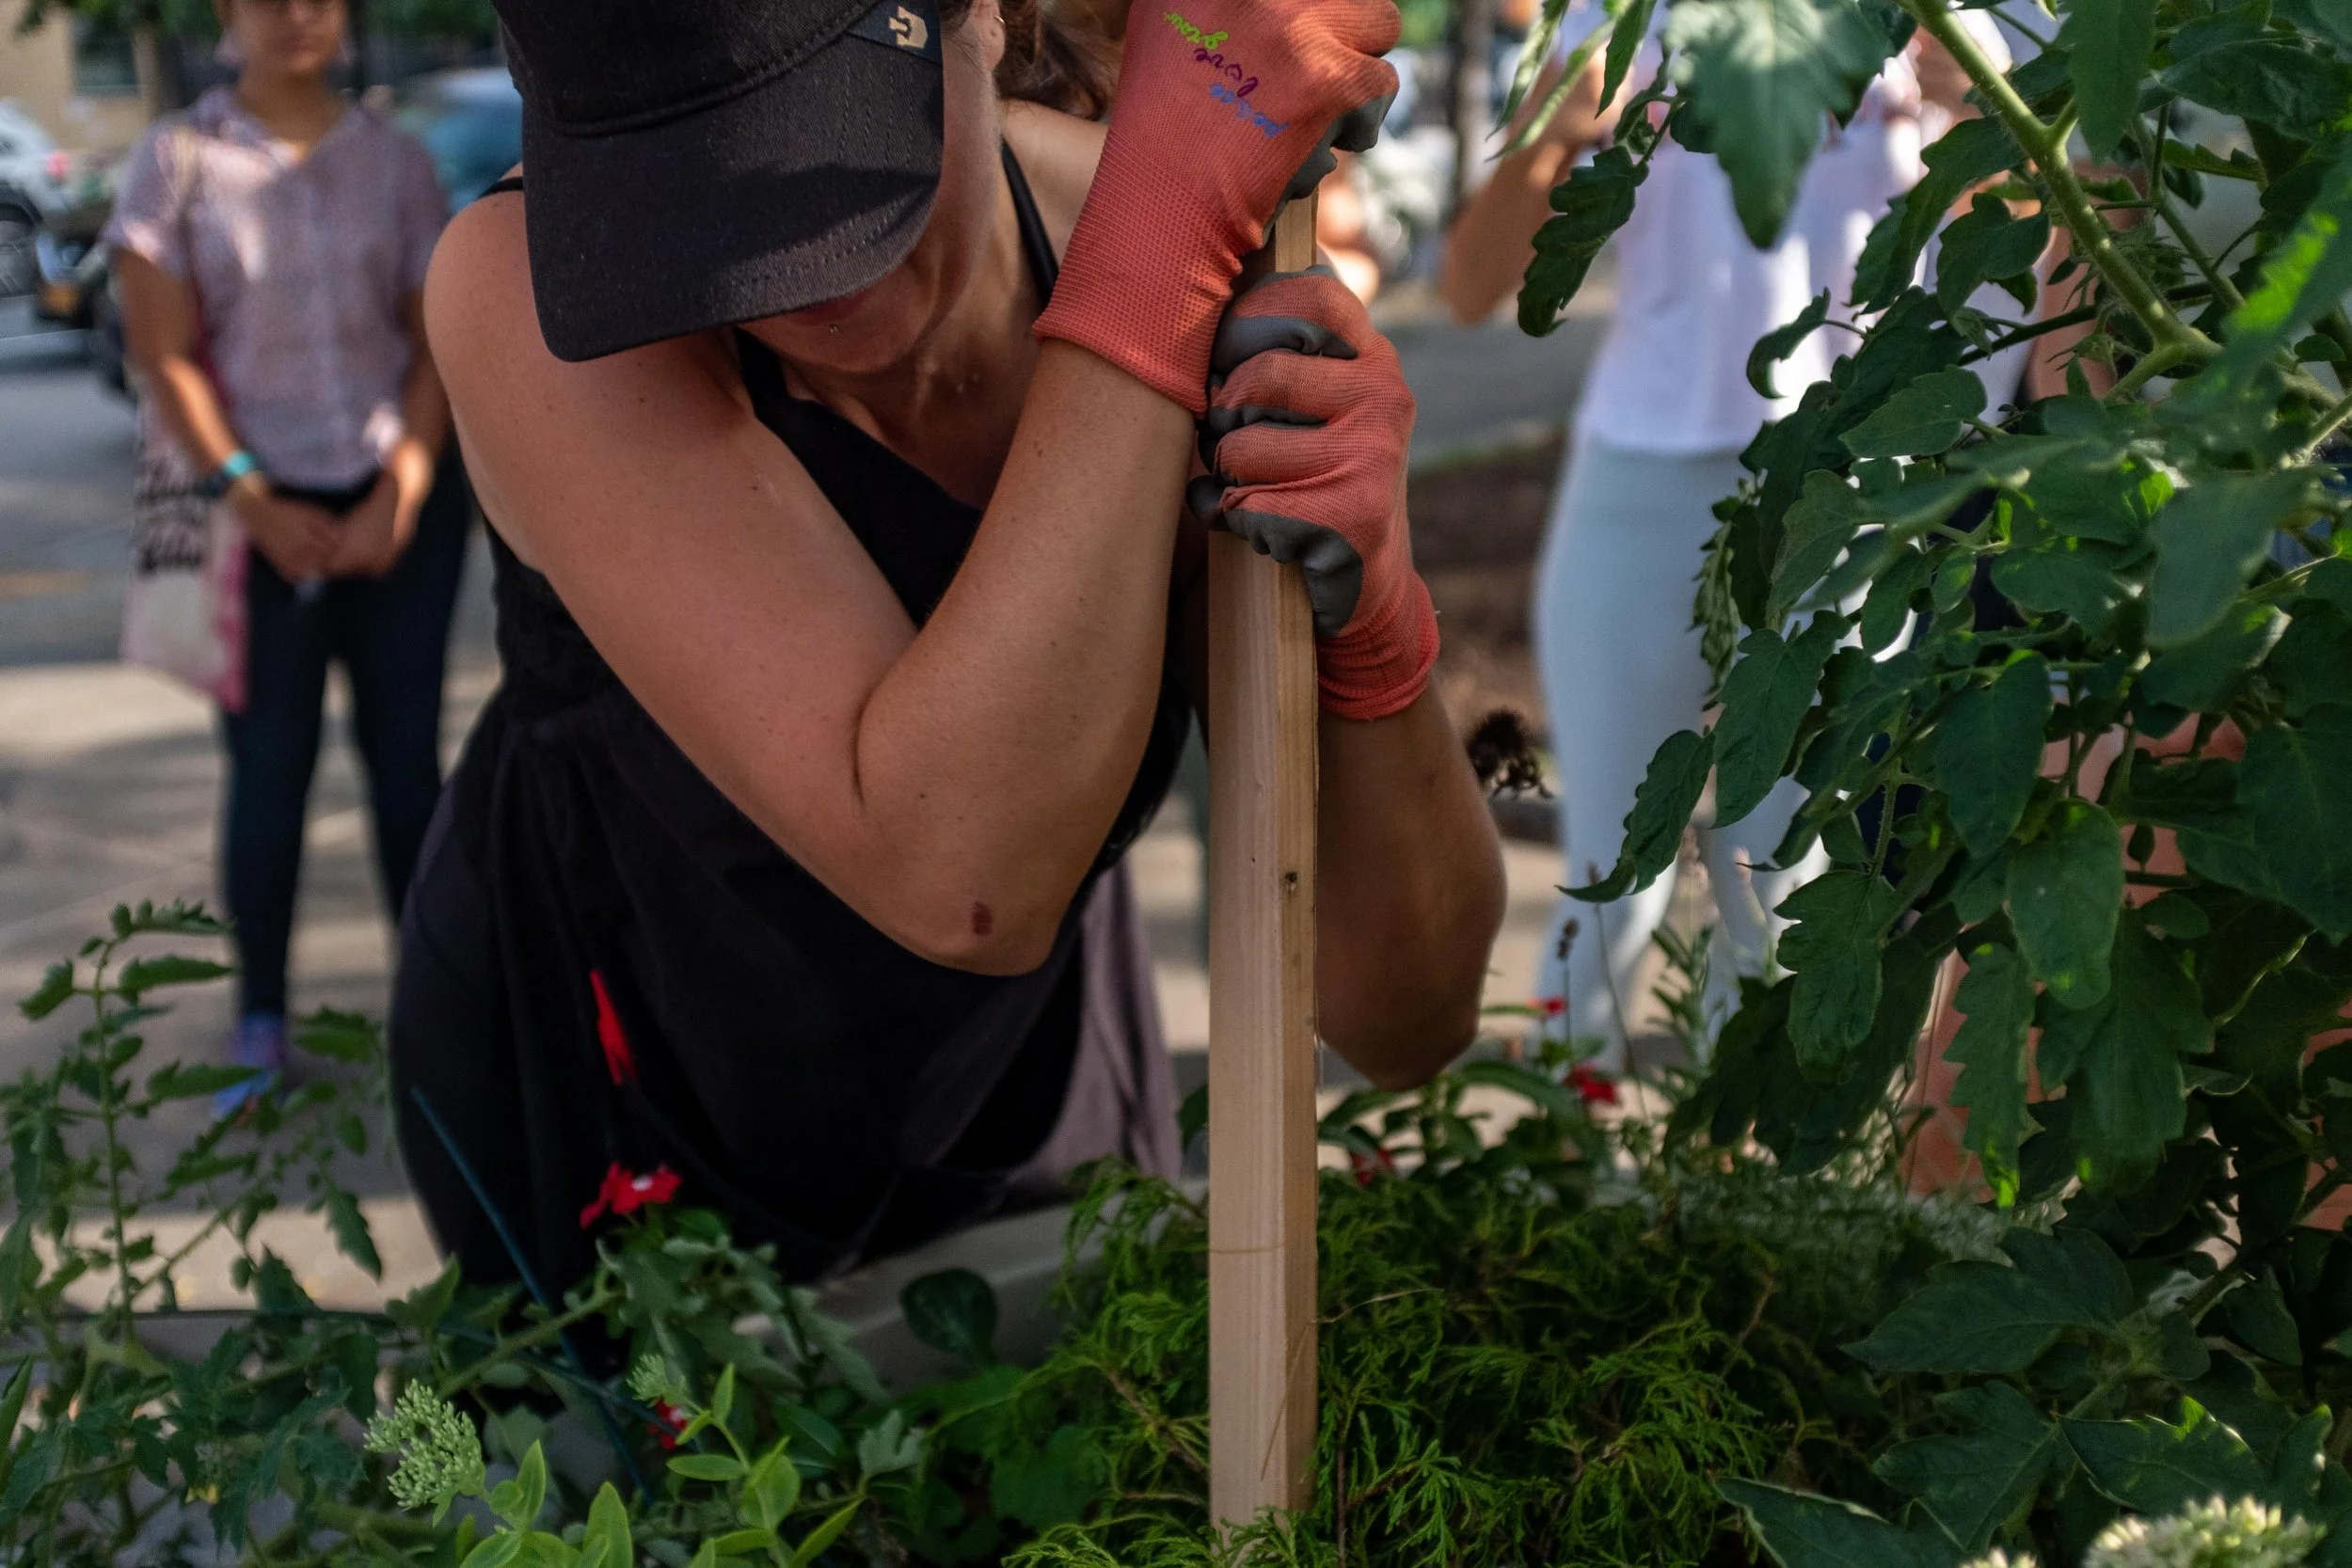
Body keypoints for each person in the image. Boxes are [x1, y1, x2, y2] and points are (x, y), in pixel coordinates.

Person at [390, 0, 1507, 1295]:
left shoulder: (1163, 236)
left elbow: (1408, 1017)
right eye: (695, 196)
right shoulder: (526, 289)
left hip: (1018, 1085)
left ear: (983, 18)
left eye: (830, 158)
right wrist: (1162, 258)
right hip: (628, 1108)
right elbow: (960, 873)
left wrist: (1372, 631)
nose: (797, 267)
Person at [1442, 16, 2023, 1056]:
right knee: (1609, 863)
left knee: (1785, 876)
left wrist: (1981, 116)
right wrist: (1558, 136)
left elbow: (2018, 258)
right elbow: (1470, 288)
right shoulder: (1621, 17)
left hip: (1847, 487)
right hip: (1642, 465)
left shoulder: (1933, 18)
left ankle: (1741, 1190)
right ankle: (1560, 1162)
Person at [107, 0, 463, 1117]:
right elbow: (162, 357)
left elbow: (435, 338)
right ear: (228, 12)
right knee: (269, 771)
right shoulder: (176, 162)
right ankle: (260, 1019)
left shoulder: (396, 161)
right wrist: (251, 498)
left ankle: (439, 1018)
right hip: (250, 513)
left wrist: (402, 485)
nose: (299, 14)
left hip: (395, 502)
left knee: (409, 770)